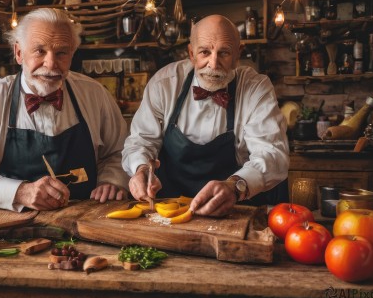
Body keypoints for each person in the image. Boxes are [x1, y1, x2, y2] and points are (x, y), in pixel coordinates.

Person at [0, 8, 129, 211]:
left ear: (72, 54)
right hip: (11, 226)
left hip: (86, 218)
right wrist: (19, 192)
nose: (51, 64)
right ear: (19, 53)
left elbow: (119, 152)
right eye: (40, 51)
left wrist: (112, 180)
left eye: (61, 52)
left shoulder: (94, 94)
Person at [122, 14, 289, 217]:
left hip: (234, 210)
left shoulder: (256, 88)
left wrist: (236, 186)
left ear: (238, 54)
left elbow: (272, 153)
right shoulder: (164, 84)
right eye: (204, 52)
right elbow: (141, 140)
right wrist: (141, 169)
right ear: (191, 54)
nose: (213, 63)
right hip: (169, 211)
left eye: (224, 53)